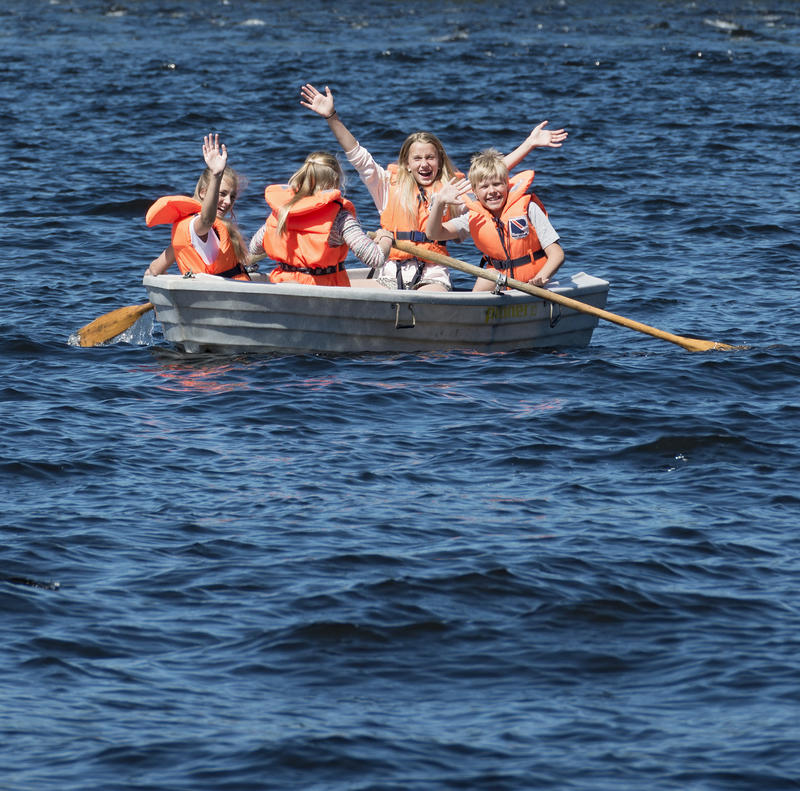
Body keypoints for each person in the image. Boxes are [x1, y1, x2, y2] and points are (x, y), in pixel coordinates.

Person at [300, 82, 567, 292]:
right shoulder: (385, 185)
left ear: (439, 161)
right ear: (406, 163)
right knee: (347, 289)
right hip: (390, 270)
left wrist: (528, 144)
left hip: (433, 273)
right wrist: (331, 116)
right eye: (417, 158)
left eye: (430, 157)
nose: (424, 164)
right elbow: (356, 154)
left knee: (429, 294)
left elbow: (490, 179)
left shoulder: (451, 190)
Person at [425, 148, 565, 291]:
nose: (492, 191)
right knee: (489, 275)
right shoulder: (474, 218)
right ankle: (476, 310)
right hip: (500, 286)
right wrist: (439, 203)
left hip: (536, 285)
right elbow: (434, 234)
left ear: (506, 184)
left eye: (497, 184)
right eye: (484, 186)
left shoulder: (529, 209)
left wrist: (539, 279)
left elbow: (557, 254)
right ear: (475, 192)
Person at [253, 150, 393, 287]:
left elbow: (255, 248)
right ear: (336, 180)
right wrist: (386, 238)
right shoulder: (340, 217)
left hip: (282, 286)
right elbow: (376, 258)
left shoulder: (281, 211)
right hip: (324, 291)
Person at [145, 134, 250, 281]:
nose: (227, 202)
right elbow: (207, 219)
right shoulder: (198, 225)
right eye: (222, 194)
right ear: (203, 193)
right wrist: (216, 175)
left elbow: (154, 269)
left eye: (232, 197)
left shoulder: (190, 231)